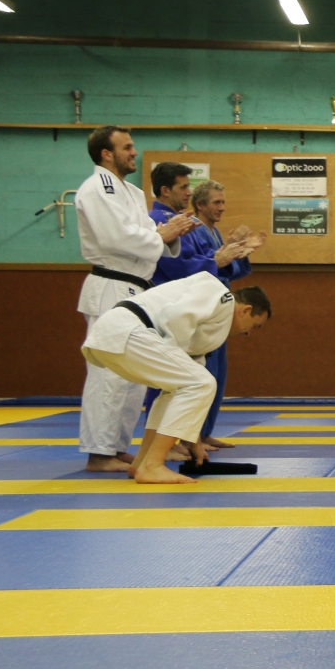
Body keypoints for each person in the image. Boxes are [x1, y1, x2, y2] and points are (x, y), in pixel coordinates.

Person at [74, 127, 196, 473]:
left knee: (132, 375)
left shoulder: (128, 190)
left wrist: (170, 233)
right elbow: (116, 237)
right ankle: (99, 452)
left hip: (136, 287)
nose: (134, 152)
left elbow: (144, 232)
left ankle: (115, 446)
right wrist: (161, 235)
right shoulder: (97, 188)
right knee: (108, 374)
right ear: (106, 154)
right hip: (112, 284)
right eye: (126, 147)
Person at [80, 272, 271, 484]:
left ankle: (142, 463)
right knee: (202, 383)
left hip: (117, 336)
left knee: (180, 389)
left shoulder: (212, 331)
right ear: (246, 310)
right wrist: (172, 353)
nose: (248, 334)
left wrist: (193, 438)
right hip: (128, 330)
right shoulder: (217, 292)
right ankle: (153, 466)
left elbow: (189, 389)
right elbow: (176, 317)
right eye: (255, 326)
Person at [142, 167, 258, 458]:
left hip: (204, 305)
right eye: (183, 187)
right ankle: (170, 441)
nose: (188, 193)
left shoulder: (186, 223)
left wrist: (236, 250)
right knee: (172, 377)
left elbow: (213, 263)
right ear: (166, 190)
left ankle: (198, 434)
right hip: (178, 307)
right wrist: (223, 255)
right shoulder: (159, 221)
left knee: (210, 375)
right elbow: (179, 264)